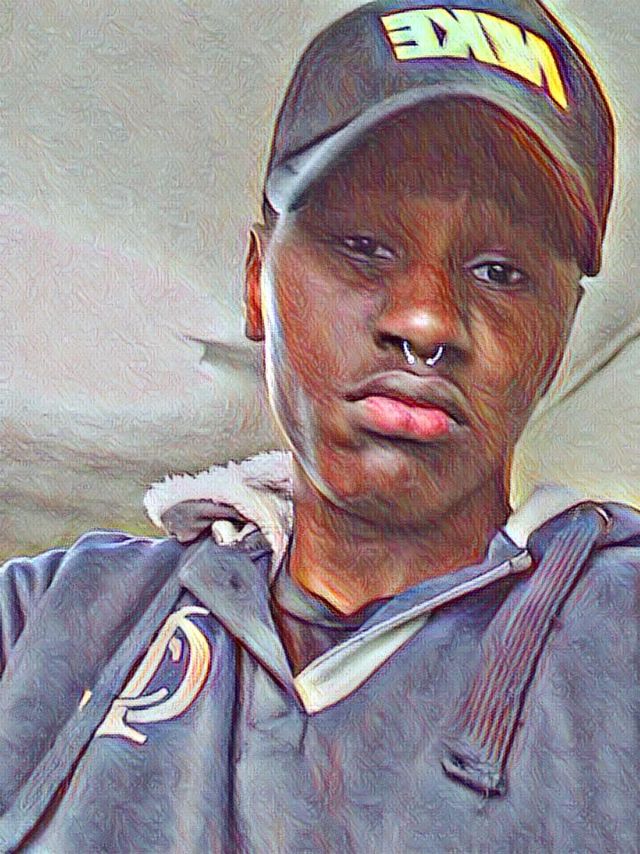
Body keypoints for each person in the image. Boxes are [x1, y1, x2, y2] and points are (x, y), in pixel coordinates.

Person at [0, 0, 637, 851]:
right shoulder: (51, 619)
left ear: (559, 334)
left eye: (499, 270)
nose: (426, 320)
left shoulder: (619, 640)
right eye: (363, 245)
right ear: (257, 282)